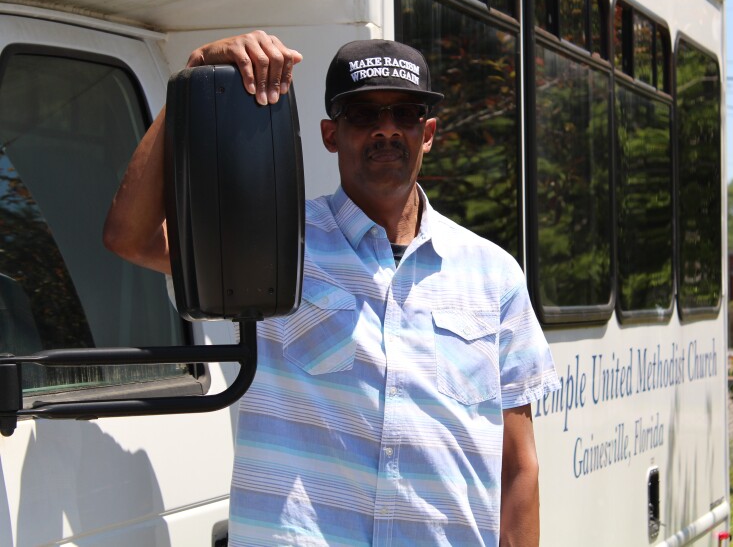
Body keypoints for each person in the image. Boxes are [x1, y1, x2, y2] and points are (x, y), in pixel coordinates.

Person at [103, 30, 559, 547]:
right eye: (363, 114)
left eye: (405, 113)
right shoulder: (272, 243)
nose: (386, 129)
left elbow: (519, 466)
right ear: (330, 134)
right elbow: (130, 236)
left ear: (427, 132)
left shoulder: (494, 273)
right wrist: (191, 78)